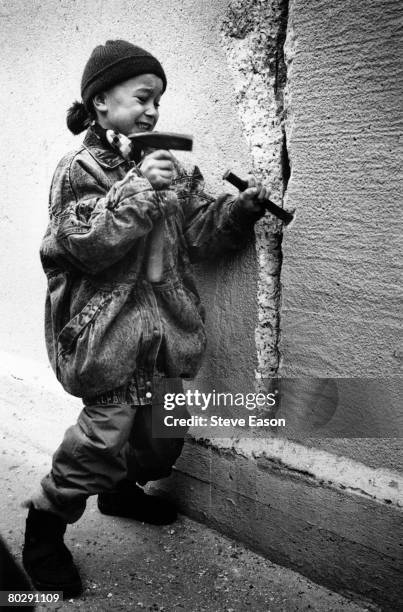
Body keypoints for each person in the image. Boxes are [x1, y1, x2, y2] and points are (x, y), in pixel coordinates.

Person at [22, 39, 270, 597]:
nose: (153, 109)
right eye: (142, 96)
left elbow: (200, 235)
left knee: (163, 435)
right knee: (101, 439)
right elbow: (78, 241)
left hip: (165, 332)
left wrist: (239, 209)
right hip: (109, 333)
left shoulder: (175, 171)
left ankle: (123, 490)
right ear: (101, 104)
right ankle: (45, 526)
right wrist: (137, 188)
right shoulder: (78, 169)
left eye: (159, 99)